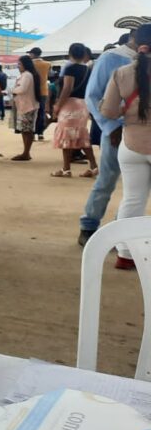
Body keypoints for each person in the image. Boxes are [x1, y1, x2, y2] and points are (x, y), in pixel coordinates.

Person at [78, 29, 138, 246]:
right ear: (134, 35)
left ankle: (119, 232)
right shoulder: (110, 58)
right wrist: (110, 127)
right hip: (117, 130)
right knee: (107, 180)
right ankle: (88, 226)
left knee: (136, 190)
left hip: (143, 132)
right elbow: (93, 96)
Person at [101, 23, 151, 270]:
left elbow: (108, 111)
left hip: (131, 145)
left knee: (132, 199)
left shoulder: (121, 73)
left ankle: (125, 255)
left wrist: (126, 110)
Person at [50, 42, 96, 178]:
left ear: (70, 53)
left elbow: (67, 88)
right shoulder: (87, 69)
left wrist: (58, 105)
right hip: (82, 104)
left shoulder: (69, 68)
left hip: (70, 104)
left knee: (66, 135)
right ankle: (93, 166)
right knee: (81, 135)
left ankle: (66, 169)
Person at [10, 55, 41, 162]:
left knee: (27, 130)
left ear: (25, 64)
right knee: (25, 130)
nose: (18, 66)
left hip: (27, 106)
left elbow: (22, 89)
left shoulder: (27, 75)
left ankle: (26, 152)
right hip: (25, 106)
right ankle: (26, 152)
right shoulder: (27, 75)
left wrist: (12, 90)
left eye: (19, 64)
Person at [28, 47, 52, 141]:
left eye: (30, 53)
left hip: (32, 91)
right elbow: (49, 75)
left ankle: (32, 133)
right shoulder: (48, 64)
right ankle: (40, 133)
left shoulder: (29, 64)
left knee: (32, 112)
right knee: (41, 112)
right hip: (43, 91)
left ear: (33, 54)